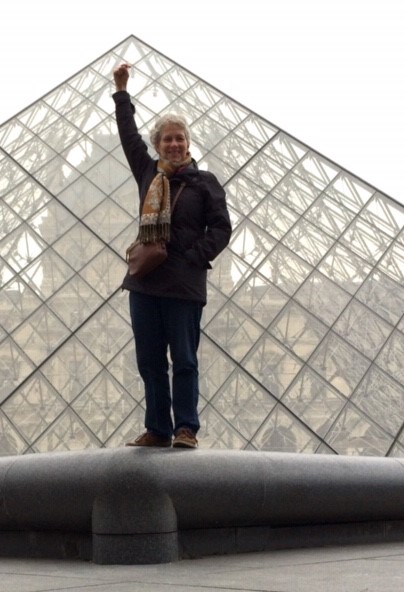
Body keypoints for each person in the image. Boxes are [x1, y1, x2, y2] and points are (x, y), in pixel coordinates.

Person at [113, 63, 232, 449]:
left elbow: (221, 228)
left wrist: (194, 257)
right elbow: (128, 136)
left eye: (180, 138)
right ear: (158, 144)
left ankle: (185, 428)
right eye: (167, 139)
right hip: (145, 283)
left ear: (188, 143)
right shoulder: (148, 174)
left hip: (183, 284)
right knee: (149, 361)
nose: (174, 144)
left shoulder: (205, 183)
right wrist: (121, 91)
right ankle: (157, 428)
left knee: (184, 359)